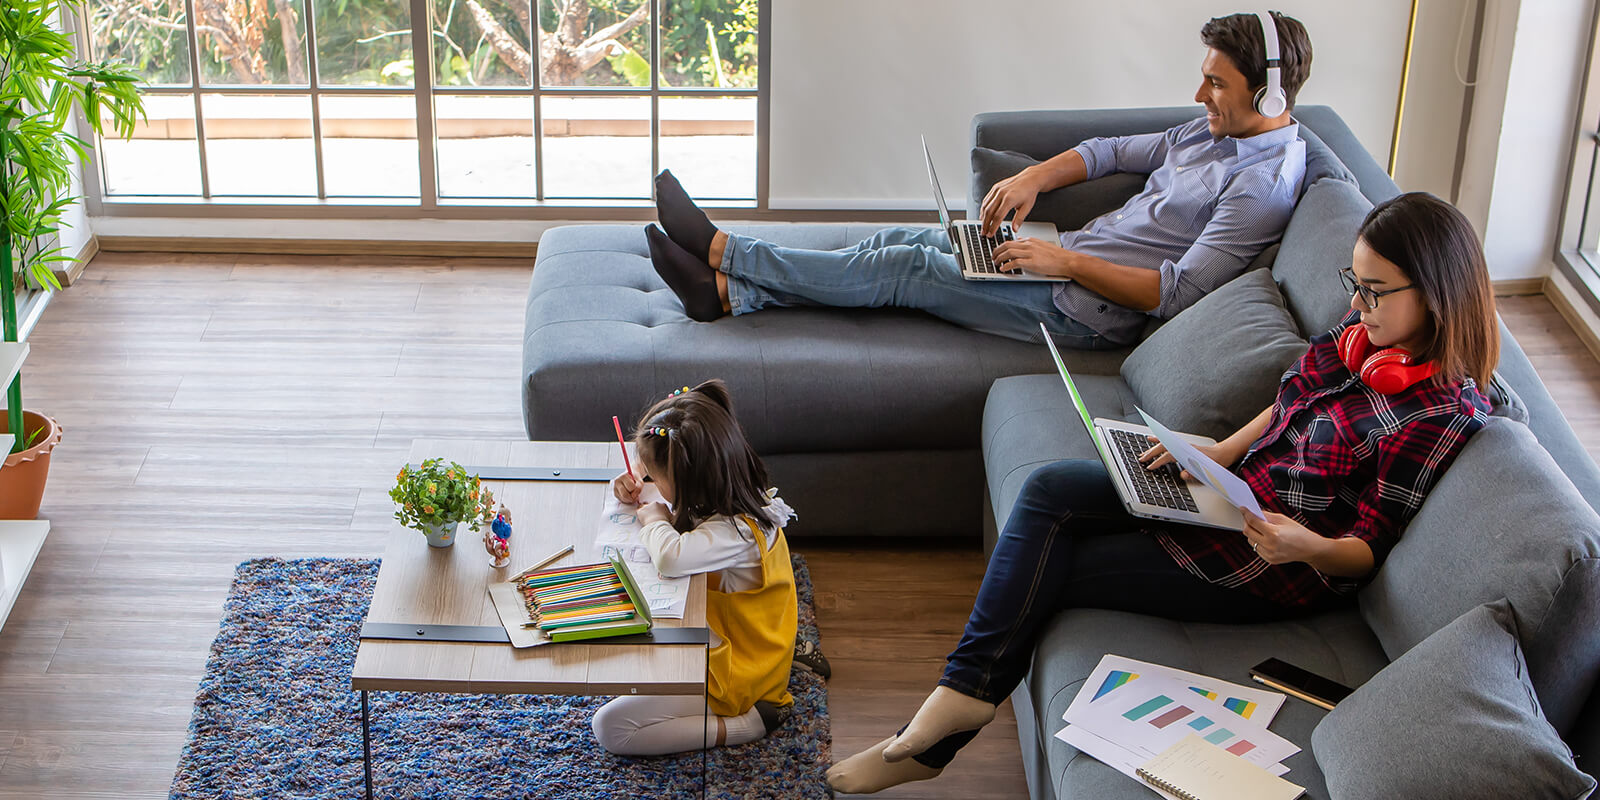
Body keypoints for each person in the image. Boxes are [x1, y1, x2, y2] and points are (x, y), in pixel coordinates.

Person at [825, 190, 1501, 793]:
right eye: (1355, 281)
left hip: (1266, 564)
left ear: (1436, 295)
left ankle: (944, 725)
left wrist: (1304, 545)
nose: (1356, 303)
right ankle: (956, 700)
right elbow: (1288, 403)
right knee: (1049, 488)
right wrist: (1216, 451)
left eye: (1375, 290)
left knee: (1057, 569)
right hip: (1228, 492)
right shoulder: (1362, 341)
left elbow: (1368, 549)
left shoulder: (1438, 417)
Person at [644, 11, 1312, 348]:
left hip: (1086, 313)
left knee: (906, 266)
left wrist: (1064, 261)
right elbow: (1110, 152)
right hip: (1059, 265)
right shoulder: (1214, 128)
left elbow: (1174, 293)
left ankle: (726, 252)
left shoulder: (1262, 184)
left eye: (1216, 82)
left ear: (1271, 95)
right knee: (897, 243)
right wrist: (1033, 180)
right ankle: (731, 298)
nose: (1200, 92)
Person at [590, 380, 800, 756]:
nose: (651, 483)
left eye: (657, 477)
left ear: (689, 478)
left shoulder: (737, 532)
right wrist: (634, 478)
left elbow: (671, 557)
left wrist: (654, 519)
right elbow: (653, 466)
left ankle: (744, 724)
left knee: (611, 727)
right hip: (733, 637)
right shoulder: (725, 486)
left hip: (739, 670)